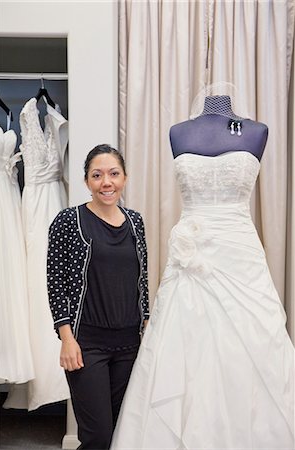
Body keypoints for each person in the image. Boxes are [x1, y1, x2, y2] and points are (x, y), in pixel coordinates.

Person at [110, 96, 294, 449]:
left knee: (247, 346)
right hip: (189, 258)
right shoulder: (177, 132)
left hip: (239, 255)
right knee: (184, 344)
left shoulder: (258, 131)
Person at [47, 144, 149, 450]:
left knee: (122, 432)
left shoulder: (135, 222)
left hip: (130, 345)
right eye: (97, 175)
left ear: (125, 178)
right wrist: (66, 337)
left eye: (113, 174)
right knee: (97, 436)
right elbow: (56, 283)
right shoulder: (69, 220)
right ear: (87, 182)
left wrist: (146, 324)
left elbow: (141, 280)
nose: (107, 182)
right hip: (86, 345)